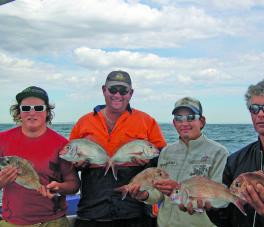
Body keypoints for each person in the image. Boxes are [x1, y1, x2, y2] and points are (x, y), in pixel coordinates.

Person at [69, 70, 167, 227]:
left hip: (135, 210)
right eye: (112, 89)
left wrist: (147, 162)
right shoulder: (84, 122)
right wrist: (78, 164)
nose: (117, 95)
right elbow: (70, 162)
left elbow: (163, 160)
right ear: (103, 90)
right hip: (92, 211)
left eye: (123, 91)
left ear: (131, 93)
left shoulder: (147, 121)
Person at [207, 76, 264, 227]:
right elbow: (226, 220)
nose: (260, 114)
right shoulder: (234, 160)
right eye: (254, 109)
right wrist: (210, 207)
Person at [129, 97, 229, 227]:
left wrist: (182, 193)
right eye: (179, 118)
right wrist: (145, 195)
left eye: (191, 117)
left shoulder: (219, 152)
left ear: (202, 121)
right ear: (174, 123)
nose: (184, 123)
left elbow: (221, 199)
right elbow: (159, 194)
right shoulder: (166, 152)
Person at [0, 86, 80, 226]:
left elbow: (74, 185)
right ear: (19, 113)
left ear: (47, 112)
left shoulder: (61, 144)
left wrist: (59, 187)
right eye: (26, 108)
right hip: (12, 222)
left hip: (54, 221)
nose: (32, 112)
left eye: (38, 108)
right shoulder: (2, 139)